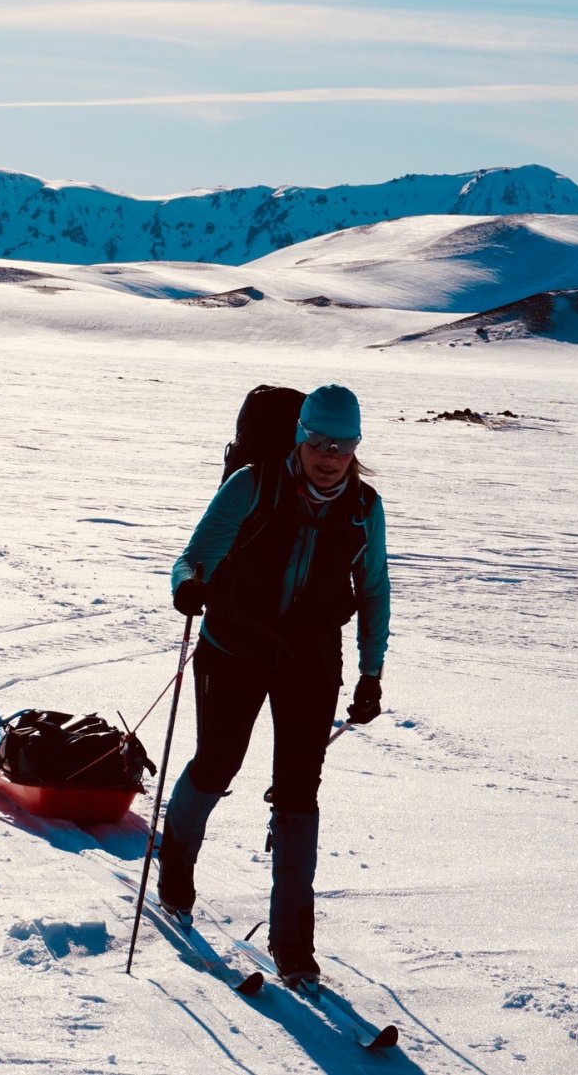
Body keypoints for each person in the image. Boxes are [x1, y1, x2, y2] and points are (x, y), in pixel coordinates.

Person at [158, 384, 391, 988]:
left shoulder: (365, 508)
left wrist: (371, 671)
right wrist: (188, 586)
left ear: (356, 446)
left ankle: (293, 944)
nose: (329, 455)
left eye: (342, 444)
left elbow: (373, 591)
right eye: (318, 441)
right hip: (234, 648)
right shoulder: (252, 485)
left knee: (298, 794)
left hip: (311, 660)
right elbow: (192, 558)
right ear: (300, 438)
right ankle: (175, 869)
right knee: (216, 765)